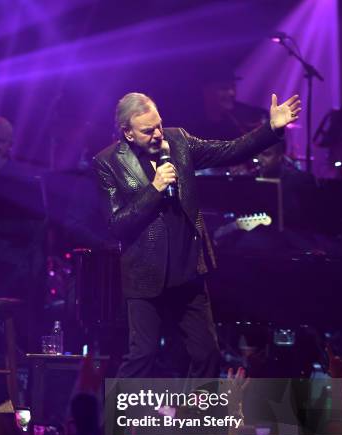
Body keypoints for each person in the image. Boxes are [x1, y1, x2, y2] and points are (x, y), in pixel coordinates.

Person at [93, 91, 301, 378]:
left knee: (207, 354)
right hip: (145, 274)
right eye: (147, 130)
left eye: (158, 126)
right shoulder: (107, 163)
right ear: (127, 132)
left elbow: (229, 150)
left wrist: (270, 129)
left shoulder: (177, 140)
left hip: (187, 270)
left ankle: (195, 420)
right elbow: (117, 224)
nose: (157, 135)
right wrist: (154, 189)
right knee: (143, 355)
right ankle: (117, 422)